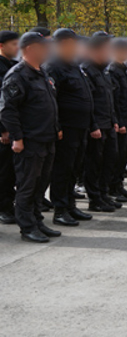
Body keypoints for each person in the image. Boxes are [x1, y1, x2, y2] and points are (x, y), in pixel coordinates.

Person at [0, 31, 61, 243]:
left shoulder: (41, 72)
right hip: (30, 140)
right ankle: (27, 227)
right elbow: (8, 109)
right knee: (27, 186)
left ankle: (37, 221)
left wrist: (56, 127)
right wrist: (16, 137)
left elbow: (50, 104)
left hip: (46, 138)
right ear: (31, 49)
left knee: (40, 184)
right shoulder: (18, 75)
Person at [44, 29, 95, 225]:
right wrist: (57, 126)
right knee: (62, 170)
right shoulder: (53, 67)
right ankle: (60, 209)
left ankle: (71, 206)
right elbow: (51, 101)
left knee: (74, 168)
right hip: (66, 128)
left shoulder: (73, 65)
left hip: (80, 127)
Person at [81, 32, 120, 212]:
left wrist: (114, 121)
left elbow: (109, 99)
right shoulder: (87, 70)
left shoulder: (103, 70)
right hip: (97, 127)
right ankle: (95, 199)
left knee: (109, 161)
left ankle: (104, 194)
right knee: (94, 165)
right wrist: (93, 125)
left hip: (108, 124)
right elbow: (88, 102)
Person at [107, 39, 127, 201]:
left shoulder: (123, 70)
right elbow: (115, 100)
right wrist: (118, 122)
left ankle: (119, 185)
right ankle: (113, 187)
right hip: (119, 121)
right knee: (116, 157)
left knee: (123, 155)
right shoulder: (113, 70)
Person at [0, 30, 19, 225]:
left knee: (13, 170)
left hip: (16, 127)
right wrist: (3, 129)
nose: (17, 48)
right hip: (4, 130)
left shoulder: (14, 66)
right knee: (4, 170)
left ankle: (10, 203)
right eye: (14, 44)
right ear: (1, 46)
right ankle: (4, 207)